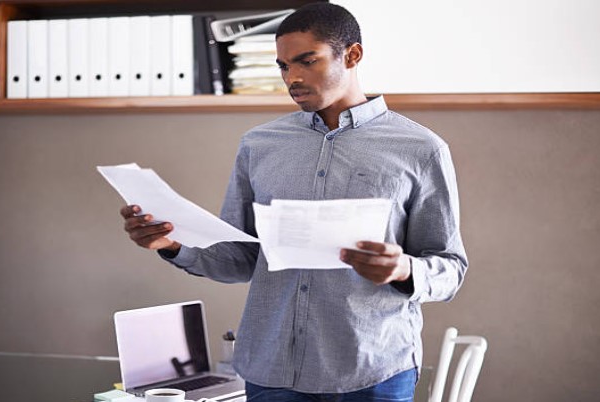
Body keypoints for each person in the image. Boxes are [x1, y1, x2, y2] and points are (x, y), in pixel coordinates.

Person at [120, 3, 468, 401]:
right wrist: (173, 244)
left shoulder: (420, 150)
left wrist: (402, 267)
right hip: (270, 371)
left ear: (352, 55)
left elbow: (450, 269)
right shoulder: (258, 145)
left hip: (371, 371)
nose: (293, 78)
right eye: (283, 66)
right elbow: (240, 258)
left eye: (307, 61)